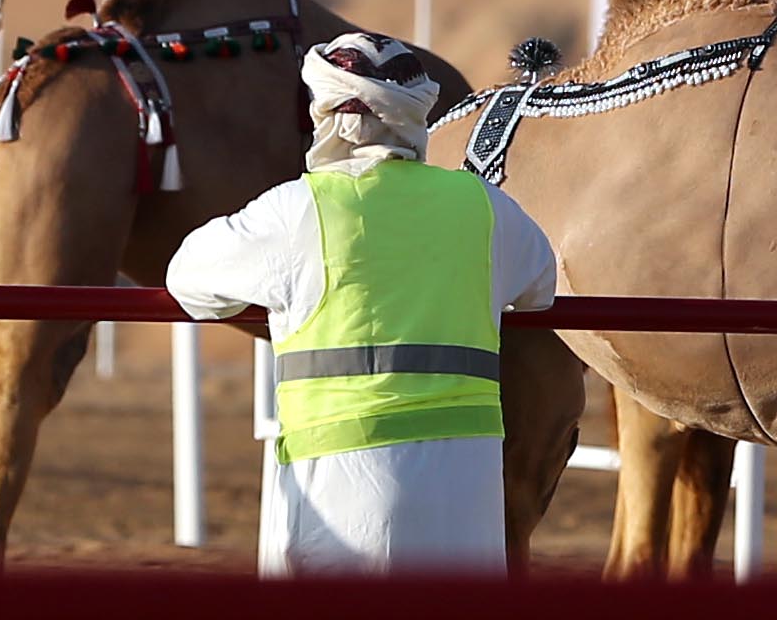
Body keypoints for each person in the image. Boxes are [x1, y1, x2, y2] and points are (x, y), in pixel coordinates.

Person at [161, 31, 557, 573]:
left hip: (339, 494)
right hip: (466, 492)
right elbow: (540, 287)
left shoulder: (297, 211)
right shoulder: (483, 206)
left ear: (327, 114)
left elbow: (187, 279)